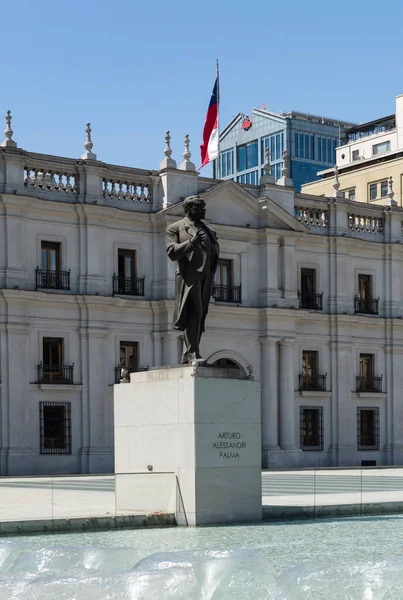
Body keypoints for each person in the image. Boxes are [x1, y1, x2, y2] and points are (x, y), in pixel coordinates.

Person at [166, 196, 219, 364]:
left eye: (204, 207)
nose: (204, 210)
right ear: (189, 209)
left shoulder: (210, 232)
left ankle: (188, 353)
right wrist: (191, 242)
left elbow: (213, 256)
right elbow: (172, 252)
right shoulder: (175, 228)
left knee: (200, 316)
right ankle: (192, 354)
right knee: (193, 313)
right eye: (200, 207)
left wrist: (213, 279)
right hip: (188, 277)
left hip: (206, 278)